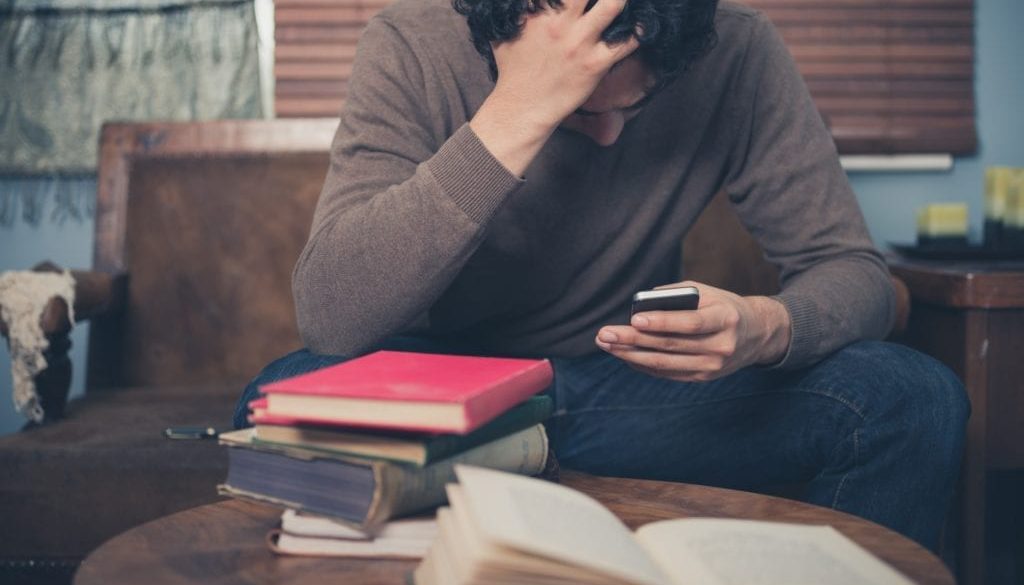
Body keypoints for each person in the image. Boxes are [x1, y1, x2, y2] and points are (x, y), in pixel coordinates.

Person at [234, 0, 968, 551]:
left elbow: (853, 269)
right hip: (444, 397)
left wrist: (764, 326)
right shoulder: (410, 45)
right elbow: (331, 315)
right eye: (580, 113)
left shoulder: (738, 53)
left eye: (636, 104)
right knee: (270, 407)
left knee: (911, 397)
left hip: (624, 390)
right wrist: (517, 114)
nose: (611, 134)